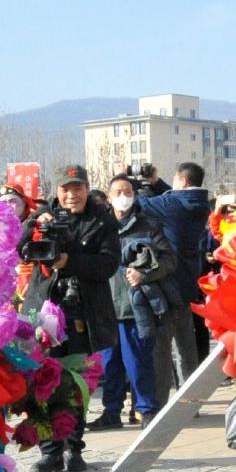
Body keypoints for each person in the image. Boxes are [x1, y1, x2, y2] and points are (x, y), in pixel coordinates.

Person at [21, 164, 117, 472]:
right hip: (45, 310)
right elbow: (21, 248)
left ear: (87, 189)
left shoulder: (102, 220)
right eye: (65, 189)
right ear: (57, 191)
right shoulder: (41, 216)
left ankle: (74, 448)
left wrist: (69, 260)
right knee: (42, 382)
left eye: (77, 188)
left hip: (81, 312)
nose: (71, 194)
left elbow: (108, 264)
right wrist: (36, 222)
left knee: (76, 383)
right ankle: (49, 450)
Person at [92, 175, 181, 428]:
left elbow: (169, 260)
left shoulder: (150, 226)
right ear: (108, 198)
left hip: (135, 306)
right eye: (118, 191)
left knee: (139, 361)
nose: (123, 196)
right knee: (109, 365)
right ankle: (111, 411)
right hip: (105, 305)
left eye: (128, 191)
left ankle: (146, 409)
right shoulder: (99, 227)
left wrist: (145, 273)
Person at [137, 160, 212, 389]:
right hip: (188, 279)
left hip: (167, 281)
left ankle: (164, 400)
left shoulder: (172, 204)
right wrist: (156, 182)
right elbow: (170, 198)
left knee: (164, 347)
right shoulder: (200, 204)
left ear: (182, 181)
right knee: (186, 345)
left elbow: (140, 204)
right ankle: (190, 396)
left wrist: (131, 181)